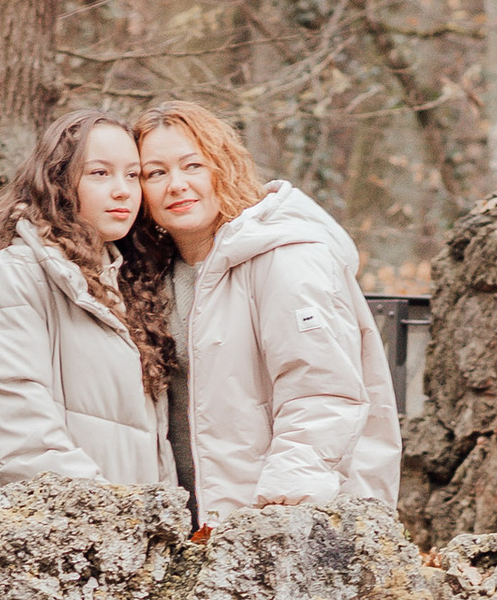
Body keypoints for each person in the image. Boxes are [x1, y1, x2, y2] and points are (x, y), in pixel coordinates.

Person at [131, 99, 401, 519]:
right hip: (191, 524)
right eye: (156, 173)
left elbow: (322, 392)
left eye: (192, 165)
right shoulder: (153, 274)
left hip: (280, 518)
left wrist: (281, 507)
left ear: (223, 167)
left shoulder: (285, 257)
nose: (177, 184)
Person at [0, 108, 176, 498]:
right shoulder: (14, 275)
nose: (123, 190)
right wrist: (105, 513)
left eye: (133, 175)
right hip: (31, 524)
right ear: (58, 182)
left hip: (107, 526)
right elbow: (21, 433)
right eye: (100, 173)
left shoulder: (125, 285)